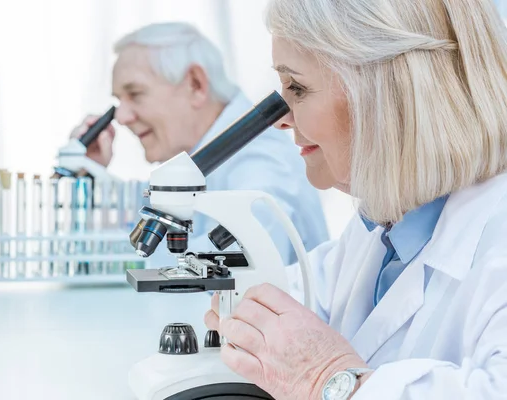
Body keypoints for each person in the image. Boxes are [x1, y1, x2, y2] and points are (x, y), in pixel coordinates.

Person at [204, 0, 507, 398]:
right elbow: (295, 298)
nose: (281, 117)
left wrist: (328, 379)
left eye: (297, 87)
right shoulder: (383, 231)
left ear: (387, 95)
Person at [71, 22, 329, 267]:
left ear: (196, 84)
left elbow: (242, 267)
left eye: (135, 94)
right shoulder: (195, 167)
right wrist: (90, 177)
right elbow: (148, 216)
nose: (122, 117)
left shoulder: (260, 162)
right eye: (118, 101)